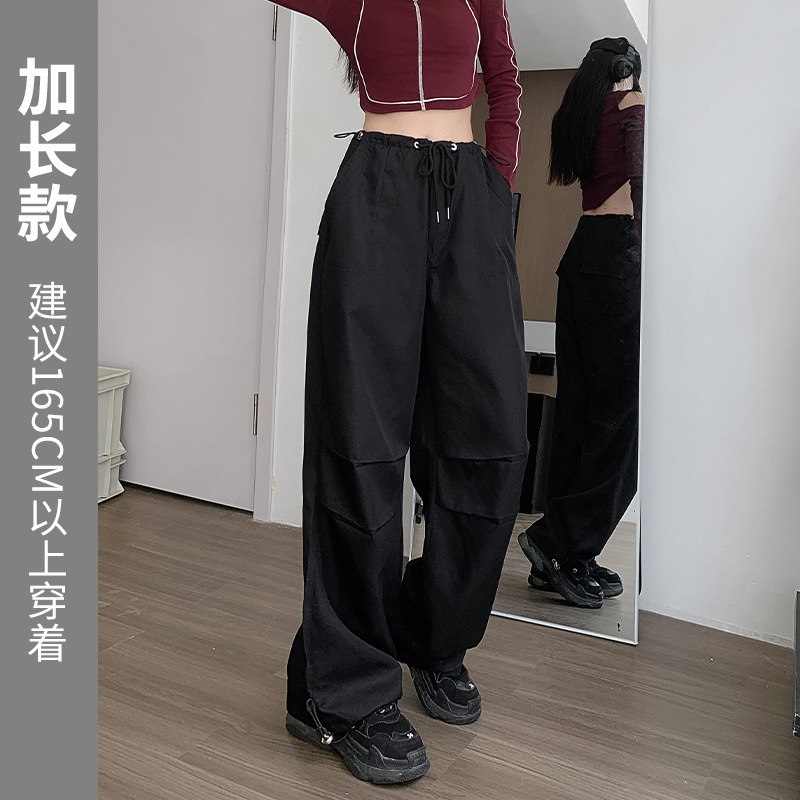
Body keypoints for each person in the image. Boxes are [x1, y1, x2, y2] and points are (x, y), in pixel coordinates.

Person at [272, 0, 529, 785]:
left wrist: (497, 189)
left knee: (489, 439)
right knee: (359, 440)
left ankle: (432, 635)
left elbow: (505, 77)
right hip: (377, 194)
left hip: (471, 199)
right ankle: (345, 693)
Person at [518, 37, 645, 609]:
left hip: (582, 255)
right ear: (627, 70)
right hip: (619, 256)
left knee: (578, 411)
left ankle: (564, 555)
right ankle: (559, 542)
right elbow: (646, 182)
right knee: (623, 420)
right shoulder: (633, 106)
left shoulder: (580, 113)